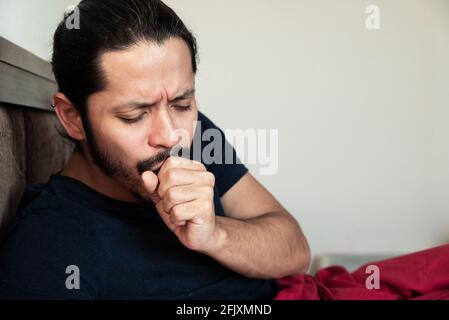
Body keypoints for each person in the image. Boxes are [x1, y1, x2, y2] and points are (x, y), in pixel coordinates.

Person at [0, 0, 310, 299]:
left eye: (182, 104)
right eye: (135, 115)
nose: (172, 136)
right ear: (73, 117)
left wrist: (216, 236)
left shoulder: (197, 135)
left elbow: (295, 252)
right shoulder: (51, 248)